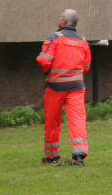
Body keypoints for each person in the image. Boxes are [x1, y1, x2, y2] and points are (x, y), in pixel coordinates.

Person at [37, 9, 91, 165]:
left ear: (64, 21)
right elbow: (86, 66)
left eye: (60, 16)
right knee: (77, 120)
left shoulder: (54, 38)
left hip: (55, 87)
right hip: (77, 87)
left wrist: (46, 70)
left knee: (52, 121)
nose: (59, 18)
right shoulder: (83, 41)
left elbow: (43, 61)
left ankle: (52, 156)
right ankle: (79, 155)